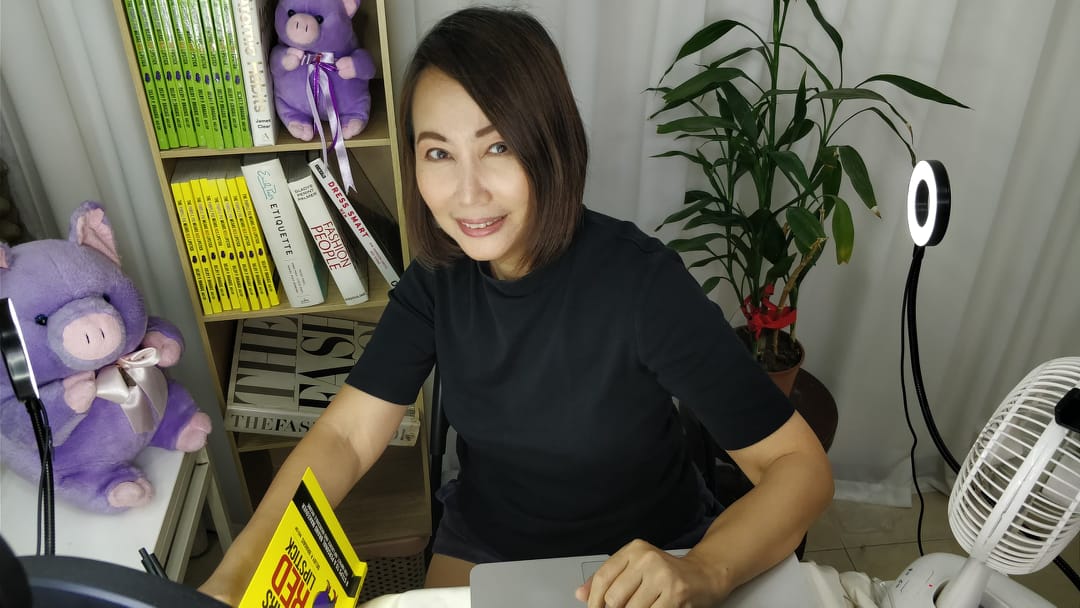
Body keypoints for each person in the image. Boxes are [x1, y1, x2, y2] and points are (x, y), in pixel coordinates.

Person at [200, 7, 833, 607]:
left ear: (552, 145)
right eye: (438, 153)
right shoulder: (437, 281)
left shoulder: (643, 284)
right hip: (489, 545)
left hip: (646, 554)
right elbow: (345, 436)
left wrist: (704, 568)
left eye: (498, 147)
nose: (468, 193)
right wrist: (236, 574)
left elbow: (798, 467)